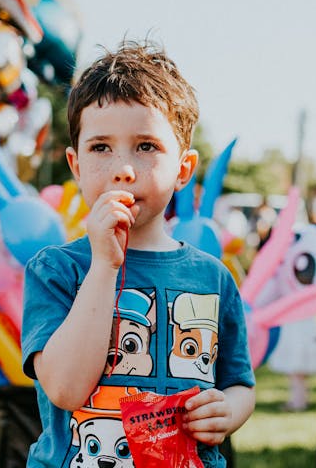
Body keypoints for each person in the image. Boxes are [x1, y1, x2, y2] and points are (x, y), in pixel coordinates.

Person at [21, 41, 255, 467]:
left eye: (146, 146)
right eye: (101, 147)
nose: (123, 167)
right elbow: (66, 389)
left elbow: (240, 384)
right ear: (76, 166)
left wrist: (228, 411)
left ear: (183, 169)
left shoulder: (212, 278)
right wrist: (105, 265)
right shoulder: (57, 270)